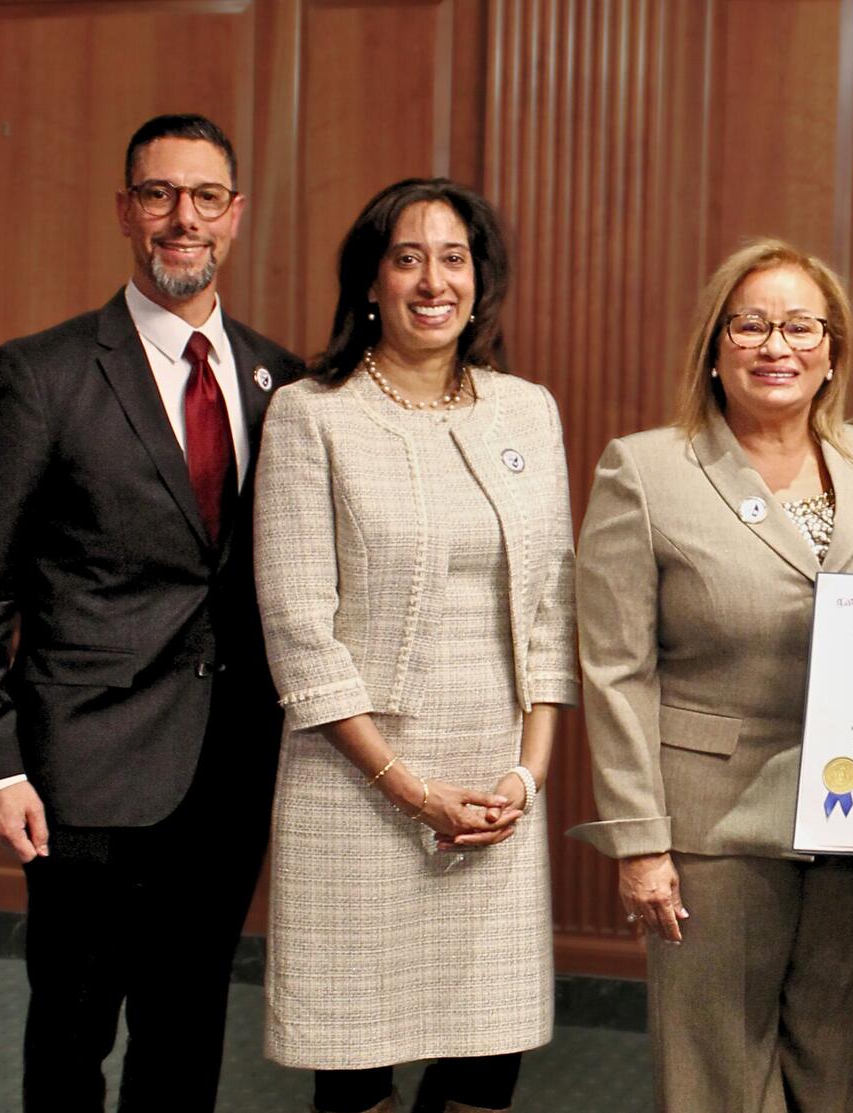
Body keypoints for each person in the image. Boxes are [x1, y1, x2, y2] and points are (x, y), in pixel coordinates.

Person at [0, 113, 301, 1111]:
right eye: (157, 195)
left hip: (227, 773)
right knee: (71, 1034)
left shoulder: (285, 383)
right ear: (124, 211)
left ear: (236, 215)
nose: (182, 218)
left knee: (186, 1034)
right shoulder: (43, 375)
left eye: (204, 197)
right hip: (83, 777)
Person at [253, 178, 576, 1113]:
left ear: (480, 281)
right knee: (354, 1070)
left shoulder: (528, 411)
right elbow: (299, 632)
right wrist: (411, 790)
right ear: (371, 282)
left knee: (487, 1064)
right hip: (355, 789)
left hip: (496, 794)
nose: (432, 280)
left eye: (453, 257)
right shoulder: (314, 414)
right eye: (407, 257)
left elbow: (554, 612)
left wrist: (527, 779)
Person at [570, 238, 853, 1112]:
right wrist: (641, 839)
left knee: (834, 1066)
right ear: (715, 348)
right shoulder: (645, 469)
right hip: (708, 828)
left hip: (849, 817)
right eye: (750, 324)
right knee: (716, 1075)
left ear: (833, 351)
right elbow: (615, 667)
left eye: (801, 326)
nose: (776, 346)